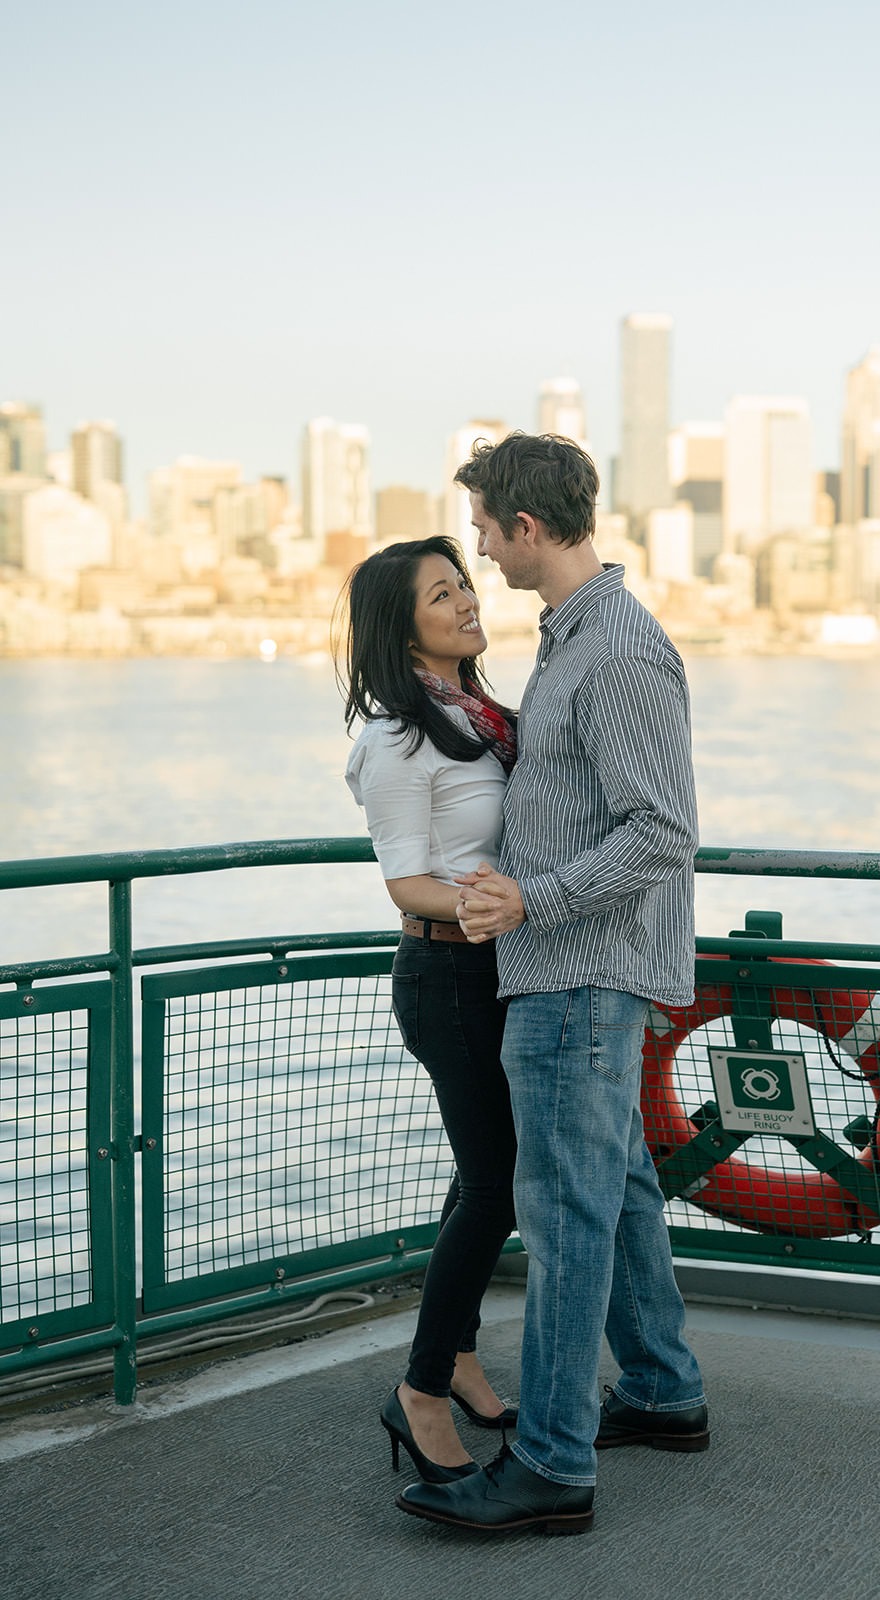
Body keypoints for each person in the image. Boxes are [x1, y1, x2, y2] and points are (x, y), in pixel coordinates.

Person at [396, 435, 707, 1538]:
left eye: (483, 526)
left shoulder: (612, 651)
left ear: (527, 527)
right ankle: (663, 1389)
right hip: (570, 972)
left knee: (564, 1217)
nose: (478, 543)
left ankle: (550, 1464)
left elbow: (663, 831)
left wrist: (532, 898)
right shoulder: (571, 639)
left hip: (575, 976)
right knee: (613, 1189)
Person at [340, 535, 519, 1486]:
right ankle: (417, 1392)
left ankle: (455, 1357)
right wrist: (489, 902)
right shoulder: (397, 737)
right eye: (439, 594)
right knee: (494, 1186)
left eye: (463, 584)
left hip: (497, 974)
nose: (463, 601)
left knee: (483, 1176)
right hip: (448, 979)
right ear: (400, 628)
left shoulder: (482, 717)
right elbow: (406, 883)